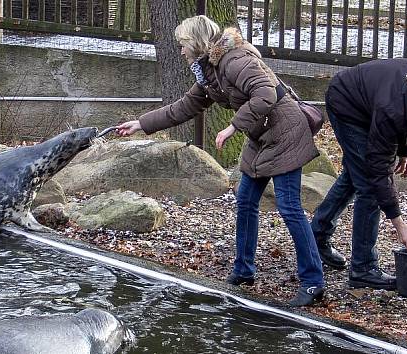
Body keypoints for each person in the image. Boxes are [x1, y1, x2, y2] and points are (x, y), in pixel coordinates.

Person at [116, 15, 325, 306]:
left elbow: (265, 93)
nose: (180, 50)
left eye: (182, 44)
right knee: (246, 200)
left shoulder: (235, 60)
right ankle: (243, 270)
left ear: (196, 42)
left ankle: (314, 281)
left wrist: (233, 126)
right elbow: (184, 107)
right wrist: (141, 124)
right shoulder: (209, 72)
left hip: (286, 132)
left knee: (289, 206)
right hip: (261, 136)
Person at [311, 58, 407, 290]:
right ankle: (363, 268)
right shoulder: (393, 108)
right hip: (346, 103)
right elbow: (378, 170)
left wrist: (405, 150)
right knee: (368, 186)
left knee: (355, 174)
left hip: (373, 103)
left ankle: (317, 235)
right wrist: (398, 223)